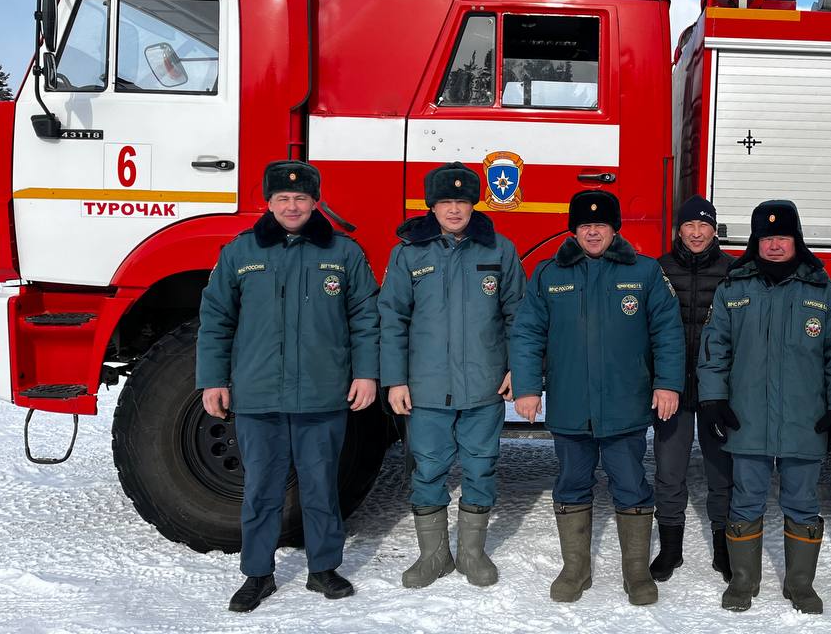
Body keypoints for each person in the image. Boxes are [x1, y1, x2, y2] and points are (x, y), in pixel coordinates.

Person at [196, 160, 379, 612]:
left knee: (321, 484)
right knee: (261, 489)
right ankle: (258, 574)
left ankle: (323, 569)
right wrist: (213, 380)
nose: (292, 206)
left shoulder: (343, 253)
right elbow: (216, 319)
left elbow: (366, 320)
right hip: (258, 395)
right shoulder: (240, 252)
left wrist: (366, 373)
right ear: (269, 202)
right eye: (283, 198)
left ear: (316, 202)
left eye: (301, 198)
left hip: (322, 393)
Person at [508, 189, 684, 606]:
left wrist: (667, 384)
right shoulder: (549, 274)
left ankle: (637, 574)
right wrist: (529, 388)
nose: (592, 232)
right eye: (585, 226)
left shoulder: (643, 272)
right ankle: (575, 570)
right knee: (571, 483)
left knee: (631, 484)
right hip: (571, 405)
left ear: (614, 229)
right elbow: (528, 333)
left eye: (600, 225)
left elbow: (668, 332)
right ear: (573, 230)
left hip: (625, 405)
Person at [698, 200, 831, 614]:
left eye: (782, 238)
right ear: (756, 242)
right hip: (746, 418)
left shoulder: (822, 292)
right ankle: (743, 582)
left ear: (796, 241)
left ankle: (800, 585)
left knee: (803, 503)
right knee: (745, 500)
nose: (774, 246)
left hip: (804, 421)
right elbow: (714, 350)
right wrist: (713, 399)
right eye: (767, 238)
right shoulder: (734, 289)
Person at [379, 161, 525, 589]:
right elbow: (392, 318)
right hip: (425, 388)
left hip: (484, 385)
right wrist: (396, 380)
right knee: (427, 470)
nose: (454, 209)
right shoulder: (408, 253)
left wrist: (519, 368)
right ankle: (433, 555)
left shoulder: (500, 250)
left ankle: (472, 552)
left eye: (461, 201)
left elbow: (519, 315)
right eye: (445, 201)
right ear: (432, 206)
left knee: (482, 467)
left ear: (473, 203)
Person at [649, 195, 735, 582]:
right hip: (673, 392)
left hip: (718, 392)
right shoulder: (658, 271)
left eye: (704, 226)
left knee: (722, 472)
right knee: (670, 471)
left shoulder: (734, 272)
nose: (696, 233)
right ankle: (670, 549)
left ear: (714, 230)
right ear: (678, 230)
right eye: (689, 226)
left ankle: (724, 548)